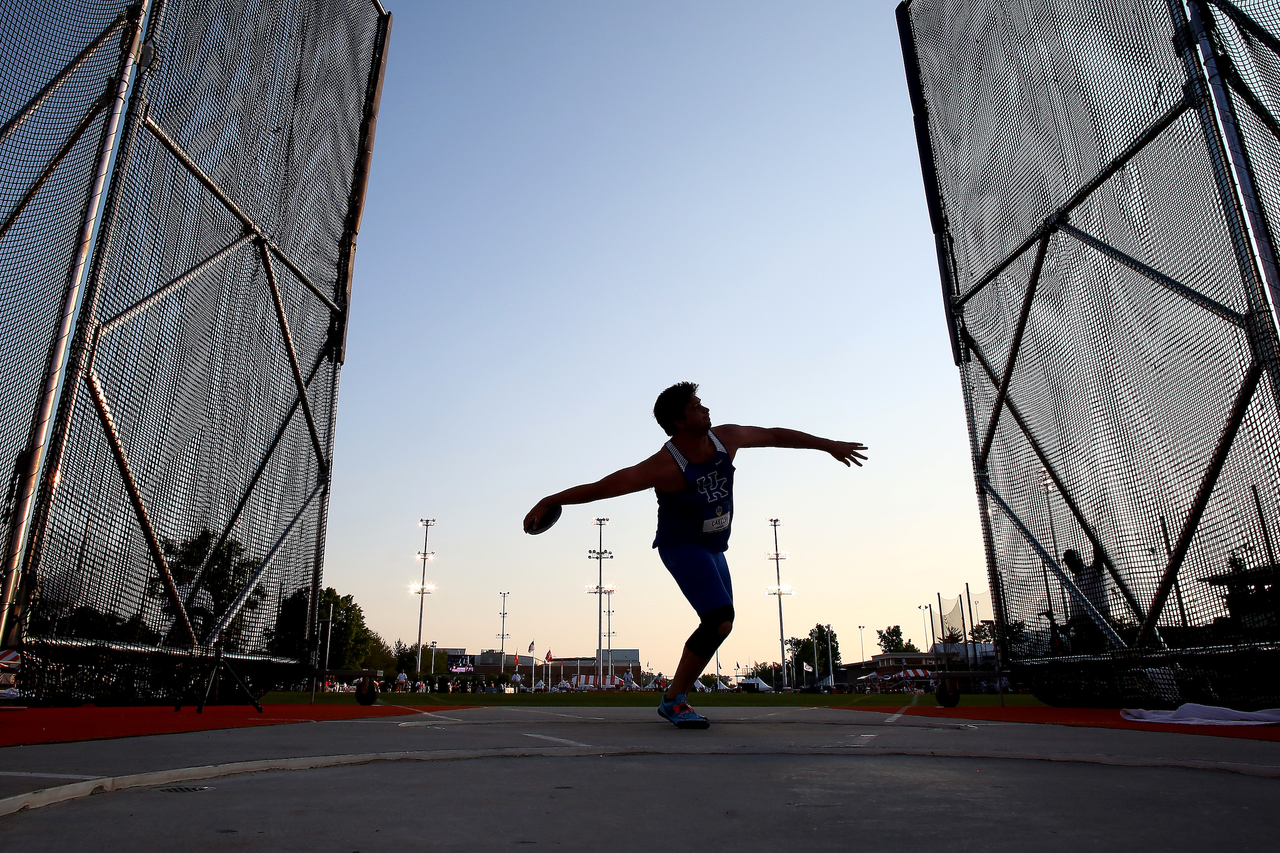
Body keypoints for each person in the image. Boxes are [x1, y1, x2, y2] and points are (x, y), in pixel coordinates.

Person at [524, 382, 866, 728]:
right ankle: (674, 700)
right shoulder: (665, 465)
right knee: (719, 617)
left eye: (702, 403)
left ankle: (674, 697)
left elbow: (775, 435)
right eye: (695, 406)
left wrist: (829, 446)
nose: (704, 409)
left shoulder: (726, 438)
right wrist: (552, 500)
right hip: (681, 546)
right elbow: (604, 487)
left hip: (715, 548)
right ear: (679, 422)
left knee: (721, 625)